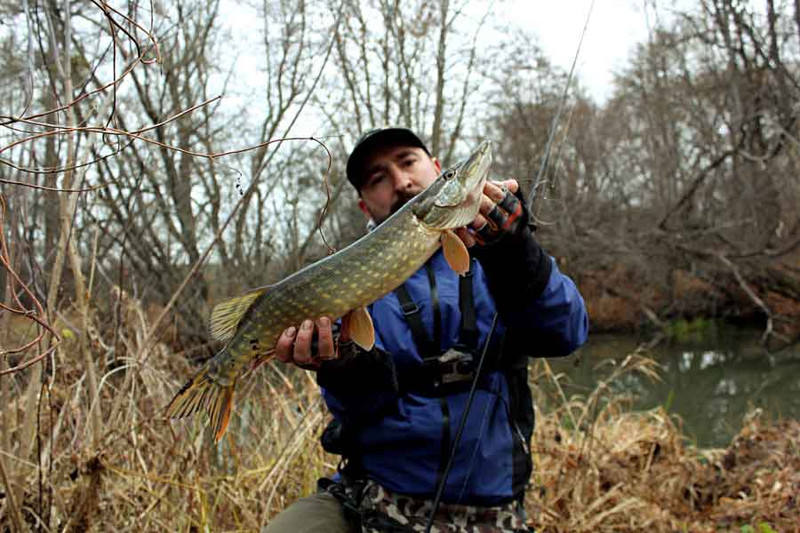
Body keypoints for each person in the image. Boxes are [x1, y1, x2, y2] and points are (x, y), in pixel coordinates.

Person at [265, 127, 588, 533]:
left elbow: (565, 332)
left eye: (407, 162)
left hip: (491, 510)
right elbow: (362, 408)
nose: (400, 181)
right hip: (378, 496)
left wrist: (517, 252)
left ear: (435, 169)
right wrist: (342, 365)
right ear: (365, 207)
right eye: (378, 178)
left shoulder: (496, 257)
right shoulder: (357, 290)